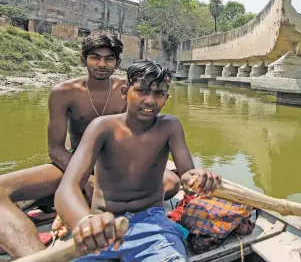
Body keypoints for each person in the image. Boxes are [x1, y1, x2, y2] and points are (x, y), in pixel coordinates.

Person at [0, 34, 181, 258]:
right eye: (95, 57)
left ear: (117, 62)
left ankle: (81, 207)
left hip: (118, 165)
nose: (102, 64)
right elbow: (55, 149)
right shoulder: (63, 93)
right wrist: (87, 179)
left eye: (109, 59)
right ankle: (35, 255)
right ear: (84, 59)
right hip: (77, 161)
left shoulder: (131, 90)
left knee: (172, 182)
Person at [54, 60, 221, 261]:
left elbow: (187, 177)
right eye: (142, 91)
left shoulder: (170, 126)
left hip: (152, 224)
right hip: (104, 225)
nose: (150, 101)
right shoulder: (102, 127)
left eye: (159, 94)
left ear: (166, 98)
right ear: (125, 92)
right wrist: (86, 221)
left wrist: (199, 177)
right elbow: (67, 188)